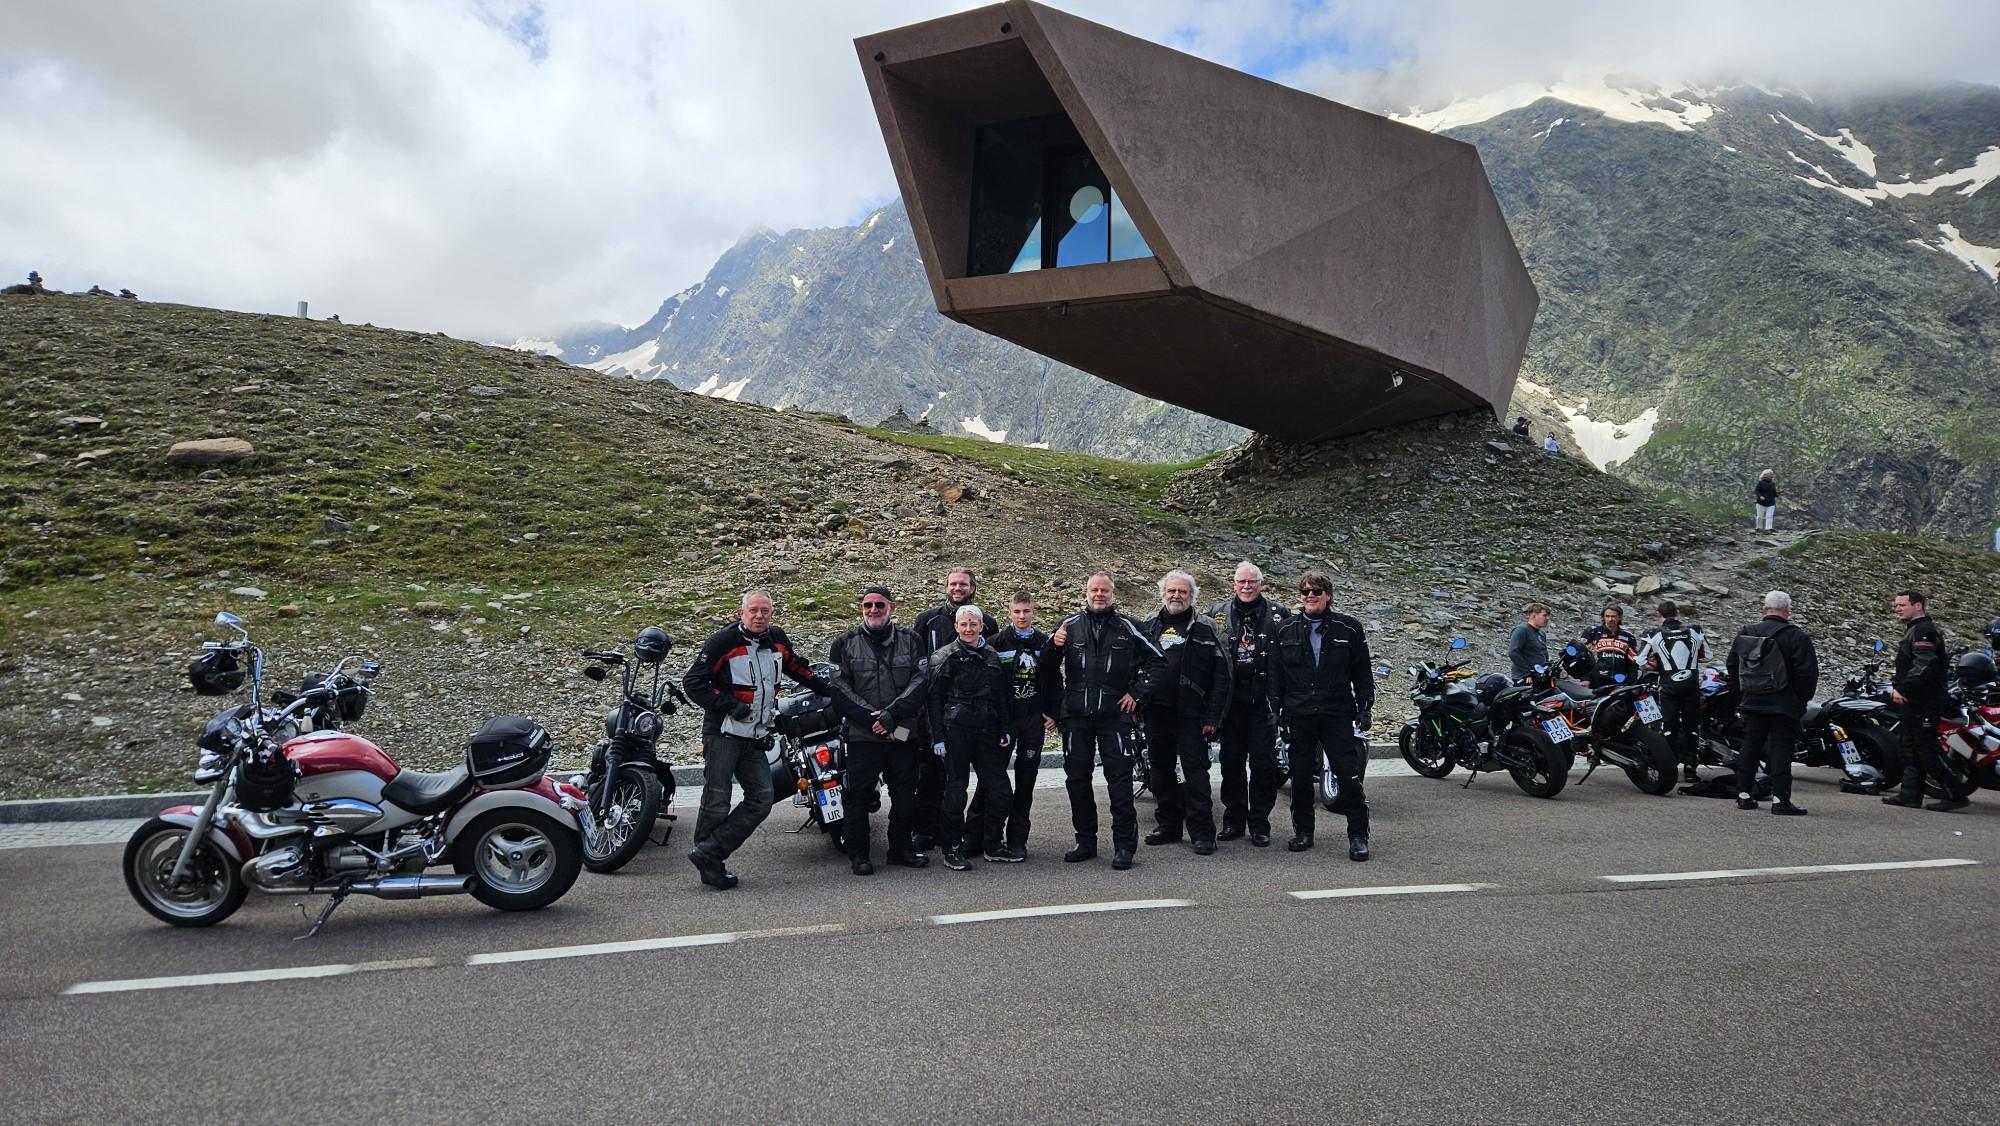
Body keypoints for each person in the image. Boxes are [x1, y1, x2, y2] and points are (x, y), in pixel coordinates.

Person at [682, 590, 839, 889]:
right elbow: (693, 682)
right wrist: (729, 705)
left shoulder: (777, 639)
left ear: (772, 614)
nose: (759, 616)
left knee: (762, 798)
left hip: (756, 735)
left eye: (764, 611)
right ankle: (710, 864)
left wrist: (830, 688)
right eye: (753, 610)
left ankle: (708, 851)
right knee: (717, 798)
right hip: (723, 733)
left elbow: (797, 668)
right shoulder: (722, 642)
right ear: (741, 613)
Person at [1039, 573, 1162, 870]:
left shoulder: (1129, 626)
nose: (1099, 595)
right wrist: (1054, 646)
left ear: (1113, 593)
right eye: (1094, 590)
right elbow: (1045, 668)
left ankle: (1124, 846)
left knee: (1119, 780)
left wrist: (1136, 693)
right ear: (1086, 592)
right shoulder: (1068, 625)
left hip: (1113, 716)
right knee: (1076, 780)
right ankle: (1085, 841)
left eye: (1104, 590)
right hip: (1076, 717)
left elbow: (1158, 660)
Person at [889, 605, 1019, 869]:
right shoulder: (943, 657)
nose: (968, 629)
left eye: (973, 624)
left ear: (982, 626)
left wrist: (1006, 727)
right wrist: (937, 737)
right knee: (955, 792)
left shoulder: (993, 656)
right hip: (955, 732)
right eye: (963, 625)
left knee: (1001, 791)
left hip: (987, 732)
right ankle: (952, 848)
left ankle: (993, 844)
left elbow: (1002, 696)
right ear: (956, 627)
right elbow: (933, 700)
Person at [824, 585, 932, 874]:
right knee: (857, 796)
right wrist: (871, 718)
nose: (873, 610)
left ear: (892, 608)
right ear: (861, 608)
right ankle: (859, 855)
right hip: (862, 735)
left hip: (902, 731)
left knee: (905, 794)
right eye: (868, 605)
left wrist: (891, 715)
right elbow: (839, 688)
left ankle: (901, 850)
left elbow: (921, 681)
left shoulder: (912, 640)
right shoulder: (843, 643)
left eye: (880, 605)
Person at [1268, 570, 1375, 860]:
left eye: (1316, 591)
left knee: (1349, 776)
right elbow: (1275, 676)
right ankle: (1303, 832)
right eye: (1304, 592)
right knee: (1300, 778)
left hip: (1337, 712)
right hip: (1299, 714)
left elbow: (1362, 673)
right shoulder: (1284, 630)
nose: (1310, 596)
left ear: (1328, 594)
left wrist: (1365, 708)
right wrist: (1275, 712)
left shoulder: (1349, 628)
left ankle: (1358, 836)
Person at [1138, 570, 1231, 855]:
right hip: (1157, 712)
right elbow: (1134, 666)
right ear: (1163, 593)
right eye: (1171, 591)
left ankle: (1203, 833)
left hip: (1193, 714)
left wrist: (1214, 716)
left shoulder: (1207, 628)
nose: (1176, 596)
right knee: (1160, 772)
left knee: (1196, 775)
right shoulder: (1149, 625)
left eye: (1182, 592)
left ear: (1192, 596)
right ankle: (1168, 825)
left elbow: (1223, 674)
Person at [910, 568, 997, 852]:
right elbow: (917, 664)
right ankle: (925, 830)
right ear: (946, 587)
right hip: (934, 710)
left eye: (964, 584)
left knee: (970, 781)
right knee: (930, 775)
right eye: (953, 583)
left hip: (974, 716)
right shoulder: (927, 620)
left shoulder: (989, 623)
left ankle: (973, 832)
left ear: (973, 588)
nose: (958, 588)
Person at [1211, 561, 1289, 846]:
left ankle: (1259, 823)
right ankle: (1233, 821)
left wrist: (1282, 704)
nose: (1246, 587)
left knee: (1263, 765)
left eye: (1252, 582)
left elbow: (1288, 662)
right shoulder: (1217, 614)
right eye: (1241, 582)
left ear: (1261, 584)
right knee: (1230, 764)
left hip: (1263, 704)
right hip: (1230, 705)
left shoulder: (1280, 615)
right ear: (1233, 584)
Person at [1725, 591, 1818, 814]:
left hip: (1753, 701)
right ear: (1787, 610)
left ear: (1764, 609)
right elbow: (1807, 674)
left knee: (1750, 746)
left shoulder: (1746, 633)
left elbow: (1732, 665)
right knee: (1781, 750)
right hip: (1784, 704)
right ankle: (1780, 800)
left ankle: (1744, 795)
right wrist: (1800, 700)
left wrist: (1744, 691)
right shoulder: (1796, 636)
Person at [1883, 589, 1971, 812]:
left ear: (1918, 606)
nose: (1897, 609)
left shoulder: (1924, 630)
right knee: (1909, 746)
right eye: (1896, 605)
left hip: (1925, 700)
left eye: (1902, 605)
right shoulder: (1916, 630)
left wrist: (1902, 688)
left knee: (1926, 748)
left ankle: (1956, 793)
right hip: (1915, 700)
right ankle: (1909, 795)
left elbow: (1925, 664)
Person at [990, 592, 1052, 855]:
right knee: (993, 781)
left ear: (1034, 613)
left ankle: (1017, 840)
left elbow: (1052, 681)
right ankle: (987, 838)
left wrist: (1053, 712)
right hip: (1004, 722)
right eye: (1017, 611)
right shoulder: (996, 642)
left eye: (1026, 611)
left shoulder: (1044, 642)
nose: (1022, 616)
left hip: (1033, 721)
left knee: (1025, 783)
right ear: (1009, 612)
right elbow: (990, 685)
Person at [1639, 600, 1710, 782]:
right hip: (1691, 684)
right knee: (1692, 727)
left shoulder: (1653, 633)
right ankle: (1690, 769)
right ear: (1677, 612)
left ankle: (1669, 767)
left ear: (1658, 614)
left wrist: (1654, 664)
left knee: (1669, 726)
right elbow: (1707, 655)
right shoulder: (1695, 629)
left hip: (1669, 685)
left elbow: (1639, 660)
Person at [1576, 606, 1640, 688]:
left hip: (1620, 681)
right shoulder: (1593, 633)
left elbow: (1633, 663)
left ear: (1620, 617)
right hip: (1596, 679)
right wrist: (1585, 678)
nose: (1610, 619)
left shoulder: (1628, 637)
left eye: (1613, 616)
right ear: (1603, 617)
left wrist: (1631, 683)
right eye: (1607, 616)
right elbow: (1582, 657)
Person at [1508, 603, 1551, 681]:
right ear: (1534, 616)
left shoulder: (1541, 634)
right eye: (1544, 615)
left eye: (1548, 616)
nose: (1547, 618)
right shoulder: (1522, 630)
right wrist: (1527, 673)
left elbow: (1543, 653)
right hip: (1524, 678)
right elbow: (1513, 652)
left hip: (1539, 677)